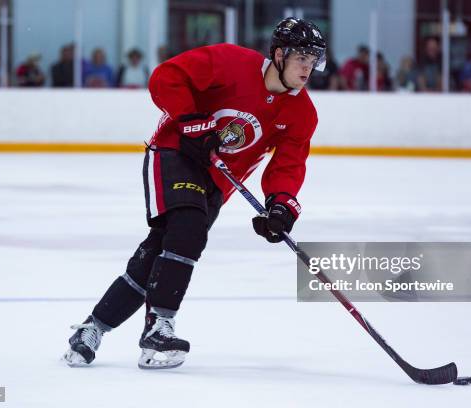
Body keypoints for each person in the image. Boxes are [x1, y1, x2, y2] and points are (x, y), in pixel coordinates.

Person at [63, 17, 326, 369]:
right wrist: (192, 122)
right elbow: (167, 77)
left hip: (217, 180)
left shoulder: (302, 113)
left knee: (161, 249)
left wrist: (280, 205)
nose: (307, 69)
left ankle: (91, 329)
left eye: (313, 61)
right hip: (175, 151)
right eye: (301, 59)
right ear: (279, 54)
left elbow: (288, 166)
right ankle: (159, 327)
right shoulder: (230, 61)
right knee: (187, 228)